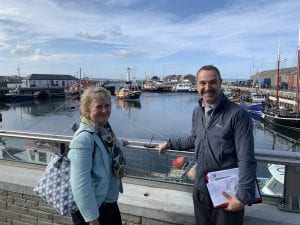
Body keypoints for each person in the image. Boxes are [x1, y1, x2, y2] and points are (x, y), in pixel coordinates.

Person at [158, 65, 257, 225]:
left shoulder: (237, 115)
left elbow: (246, 158)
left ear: (220, 83)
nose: (207, 87)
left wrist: (242, 196)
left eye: (212, 82)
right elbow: (195, 139)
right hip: (201, 188)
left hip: (226, 191)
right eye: (203, 83)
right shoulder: (197, 112)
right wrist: (169, 144)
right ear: (197, 85)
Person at [68, 86, 126, 225]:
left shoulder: (104, 131)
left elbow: (106, 145)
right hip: (95, 210)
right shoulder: (83, 139)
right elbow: (80, 183)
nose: (104, 111)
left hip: (109, 203)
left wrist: (122, 142)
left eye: (107, 105)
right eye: (98, 107)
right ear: (87, 109)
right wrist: (93, 219)